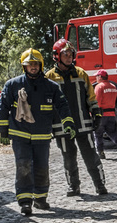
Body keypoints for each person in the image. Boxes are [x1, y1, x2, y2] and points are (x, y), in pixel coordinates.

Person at [0, 48, 75, 216]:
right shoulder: (13, 85)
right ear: (24, 67)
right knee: (23, 166)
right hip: (20, 135)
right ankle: (25, 202)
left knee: (41, 167)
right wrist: (3, 130)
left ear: (41, 65)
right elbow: (2, 107)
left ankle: (40, 198)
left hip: (42, 136)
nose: (33, 67)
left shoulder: (50, 87)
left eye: (36, 64)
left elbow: (63, 105)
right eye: (29, 64)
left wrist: (68, 122)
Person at [46, 39, 110, 196]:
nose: (69, 57)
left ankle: (99, 184)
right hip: (61, 127)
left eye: (71, 54)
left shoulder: (81, 74)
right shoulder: (48, 77)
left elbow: (90, 97)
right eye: (65, 54)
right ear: (56, 56)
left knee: (90, 155)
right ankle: (73, 186)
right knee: (68, 158)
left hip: (83, 124)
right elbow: (46, 103)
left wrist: (96, 114)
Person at [92, 70, 117, 161]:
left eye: (97, 76)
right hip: (111, 114)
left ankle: (101, 153)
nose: (96, 78)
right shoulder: (113, 87)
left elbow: (97, 101)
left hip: (102, 115)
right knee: (112, 132)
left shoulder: (99, 87)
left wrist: (92, 113)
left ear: (100, 77)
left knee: (98, 134)